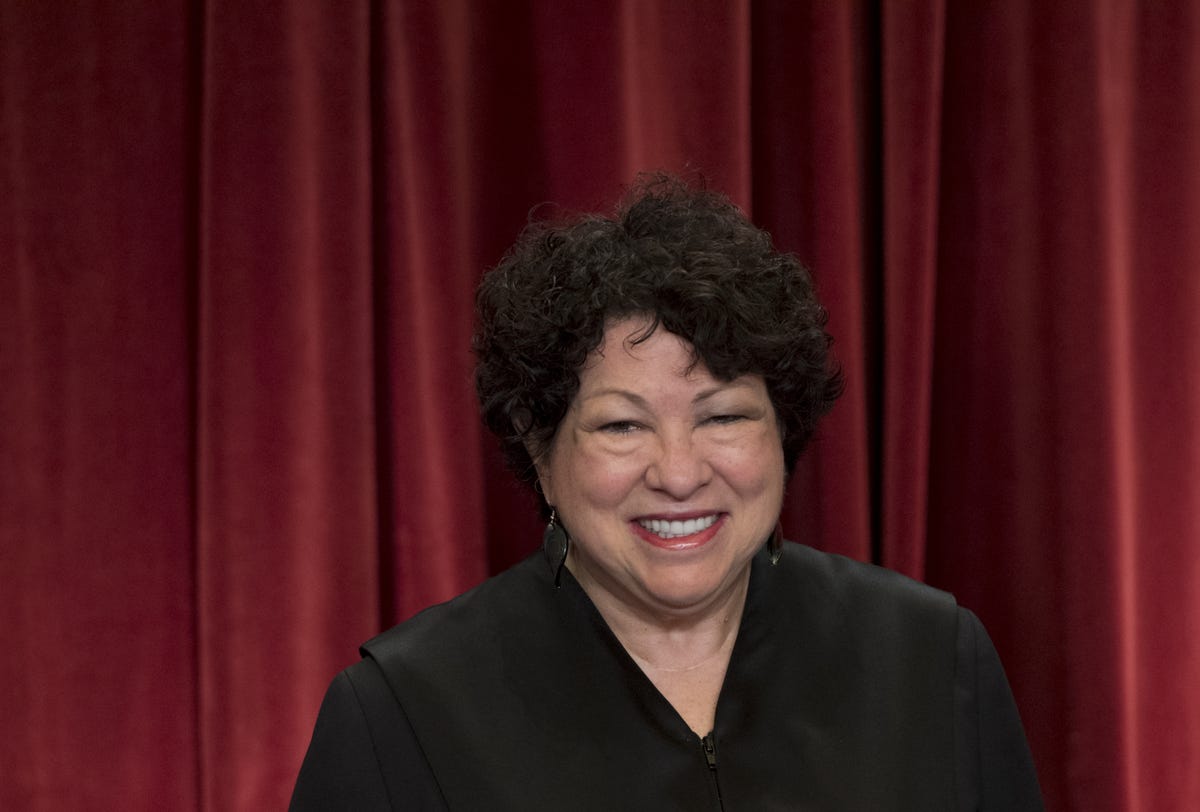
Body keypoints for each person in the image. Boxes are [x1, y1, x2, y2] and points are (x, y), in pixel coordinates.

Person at [290, 175, 1043, 810]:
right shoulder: (402, 712)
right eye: (621, 426)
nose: (678, 473)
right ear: (540, 446)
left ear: (783, 431)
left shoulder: (933, 660)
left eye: (723, 416)